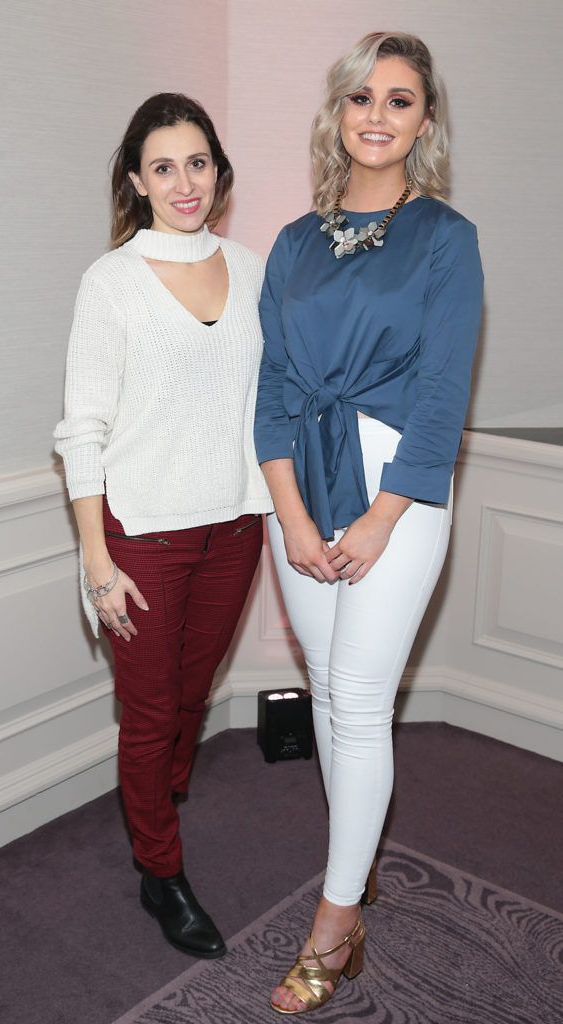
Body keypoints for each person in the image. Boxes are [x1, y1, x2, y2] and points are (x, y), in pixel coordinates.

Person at [254, 31, 483, 1014]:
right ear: (338, 113)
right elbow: (271, 385)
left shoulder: (445, 236)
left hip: (399, 483)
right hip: (300, 484)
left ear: (423, 121)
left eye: (399, 100)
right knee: (327, 697)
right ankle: (358, 869)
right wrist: (292, 513)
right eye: (361, 98)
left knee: (358, 692)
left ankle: (334, 922)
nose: (377, 116)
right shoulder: (297, 241)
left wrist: (386, 517)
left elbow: (441, 395)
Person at [54, 93, 272, 961]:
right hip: (140, 535)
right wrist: (95, 560)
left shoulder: (253, 267)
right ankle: (161, 870)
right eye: (163, 167)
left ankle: (157, 800)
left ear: (218, 172)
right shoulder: (110, 283)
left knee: (192, 695)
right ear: (138, 183)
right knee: (149, 716)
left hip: (236, 531)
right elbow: (82, 428)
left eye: (198, 163)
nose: (184, 182)